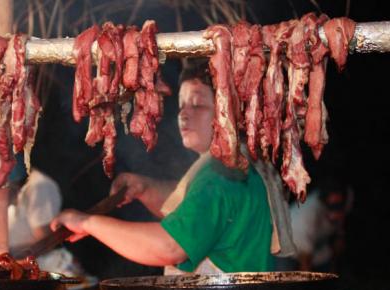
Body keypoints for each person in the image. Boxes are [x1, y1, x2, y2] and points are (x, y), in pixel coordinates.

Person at [52, 59, 275, 274]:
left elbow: (171, 246)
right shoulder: (238, 166)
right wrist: (145, 188)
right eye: (182, 105)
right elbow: (198, 212)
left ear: (229, 112)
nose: (184, 115)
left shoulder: (219, 175)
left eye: (197, 105)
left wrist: (86, 222)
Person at [289, 175, 353, 272]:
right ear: (322, 201)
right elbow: (305, 263)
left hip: (318, 244)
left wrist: (340, 235)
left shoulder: (348, 196)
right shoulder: (304, 217)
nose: (335, 215)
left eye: (339, 206)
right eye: (332, 207)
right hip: (289, 247)